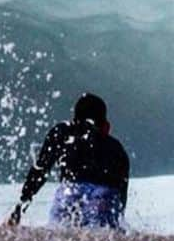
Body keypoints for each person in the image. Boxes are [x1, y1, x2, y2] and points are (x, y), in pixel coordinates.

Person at [7, 93, 130, 229]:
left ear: (74, 119)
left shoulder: (62, 132)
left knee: (62, 238)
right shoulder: (117, 148)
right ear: (106, 126)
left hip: (70, 192)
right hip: (103, 195)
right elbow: (121, 196)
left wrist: (19, 208)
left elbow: (40, 171)